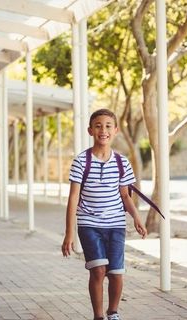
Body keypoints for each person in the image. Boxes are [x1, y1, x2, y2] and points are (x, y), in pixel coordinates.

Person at [62, 108, 147, 320]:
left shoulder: (122, 162)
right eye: (98, 126)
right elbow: (73, 198)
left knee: (116, 273)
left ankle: (113, 312)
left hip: (116, 224)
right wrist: (69, 233)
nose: (103, 130)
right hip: (89, 223)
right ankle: (98, 316)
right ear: (90, 130)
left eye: (108, 126)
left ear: (115, 130)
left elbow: (126, 196)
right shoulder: (81, 161)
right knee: (99, 270)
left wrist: (137, 217)